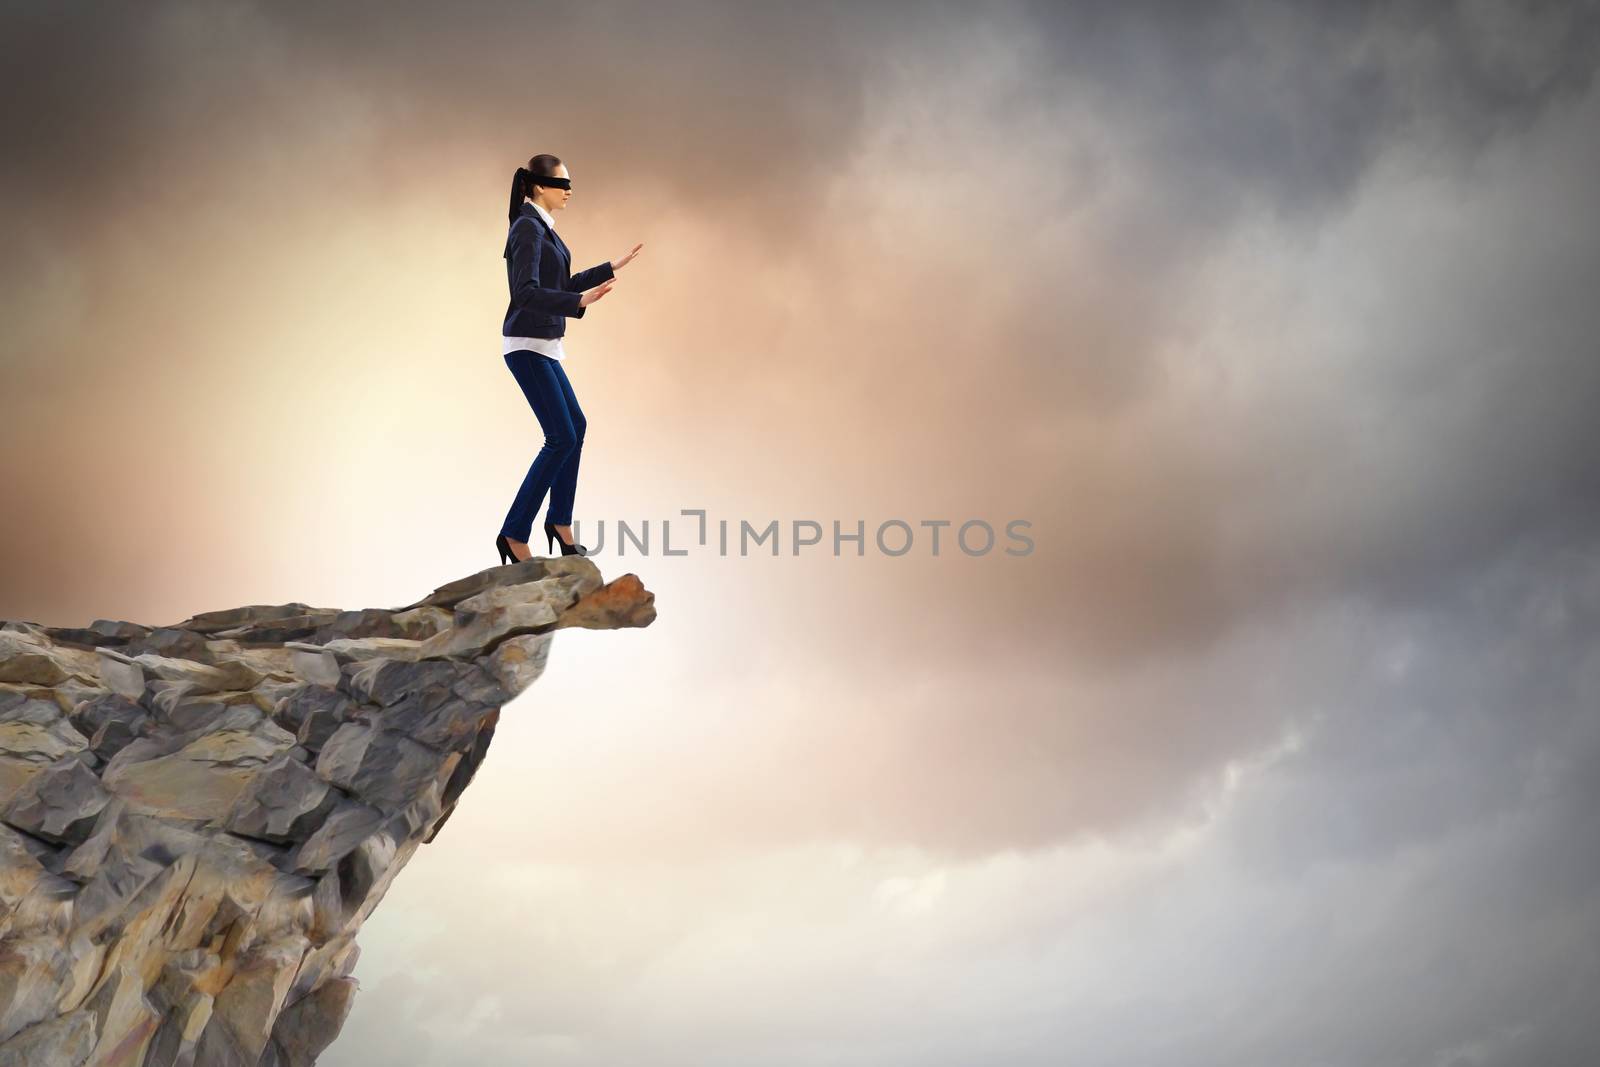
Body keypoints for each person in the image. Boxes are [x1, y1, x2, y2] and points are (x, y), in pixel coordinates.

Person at [495, 154, 642, 564]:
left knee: (575, 427)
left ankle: (559, 523)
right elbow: (524, 292)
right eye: (563, 183)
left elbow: (559, 284)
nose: (570, 190)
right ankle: (513, 533)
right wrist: (578, 301)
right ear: (539, 186)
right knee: (560, 436)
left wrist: (608, 268)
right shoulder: (526, 228)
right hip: (526, 344)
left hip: (543, 344)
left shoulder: (544, 230)